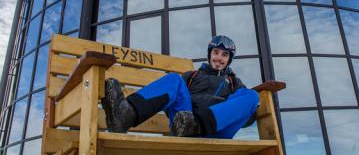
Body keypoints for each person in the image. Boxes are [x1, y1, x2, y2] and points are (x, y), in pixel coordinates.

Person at [102, 35, 259, 138]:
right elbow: (168, 101)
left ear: (229, 60)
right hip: (184, 126)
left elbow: (246, 116)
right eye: (216, 52)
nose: (219, 58)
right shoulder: (192, 76)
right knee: (173, 79)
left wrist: (242, 111)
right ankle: (124, 115)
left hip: (217, 129)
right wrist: (183, 118)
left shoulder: (233, 82)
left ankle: (199, 125)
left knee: (252, 95)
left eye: (225, 55)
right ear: (210, 54)